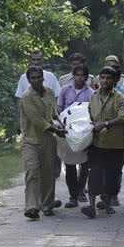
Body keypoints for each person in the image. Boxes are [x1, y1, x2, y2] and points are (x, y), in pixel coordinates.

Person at [81, 66, 124, 218]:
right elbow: (89, 115)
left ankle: (107, 203)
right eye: (103, 77)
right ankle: (92, 207)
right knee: (94, 173)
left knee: (111, 176)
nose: (105, 80)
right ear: (98, 79)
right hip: (96, 143)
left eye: (109, 78)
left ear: (114, 80)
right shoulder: (93, 96)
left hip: (115, 145)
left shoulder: (119, 97)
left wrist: (106, 124)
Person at [20, 67, 67, 219]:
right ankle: (32, 207)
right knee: (33, 171)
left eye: (38, 77)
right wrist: (54, 129)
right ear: (28, 80)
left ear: (42, 78)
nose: (36, 80)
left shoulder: (49, 92)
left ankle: (47, 204)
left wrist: (63, 125)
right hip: (31, 141)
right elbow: (37, 120)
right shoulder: (26, 97)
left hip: (49, 141)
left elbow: (53, 113)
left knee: (48, 174)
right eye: (32, 78)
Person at [15, 49, 62, 178]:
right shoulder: (24, 78)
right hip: (31, 122)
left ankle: (53, 172)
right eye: (33, 59)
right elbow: (19, 99)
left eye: (38, 60)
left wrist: (57, 120)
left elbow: (56, 98)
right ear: (30, 60)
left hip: (48, 119)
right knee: (33, 165)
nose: (36, 62)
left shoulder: (50, 77)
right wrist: (17, 121)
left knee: (51, 154)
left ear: (42, 60)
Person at [57, 65, 94, 208]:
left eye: (82, 75)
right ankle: (73, 196)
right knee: (70, 164)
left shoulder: (91, 92)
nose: (79, 78)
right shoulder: (65, 90)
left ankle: (80, 190)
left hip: (84, 132)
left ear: (86, 77)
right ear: (73, 76)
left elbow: (92, 111)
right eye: (77, 75)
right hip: (68, 131)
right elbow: (59, 109)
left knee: (85, 164)